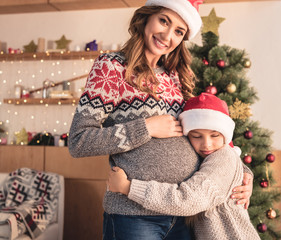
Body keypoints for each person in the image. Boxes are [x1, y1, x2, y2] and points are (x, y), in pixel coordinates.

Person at [68, 0, 253, 239]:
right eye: (164, 21)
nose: (167, 35)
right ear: (147, 18)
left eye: (179, 31)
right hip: (133, 216)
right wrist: (146, 127)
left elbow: (204, 134)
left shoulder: (177, 75)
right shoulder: (111, 67)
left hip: (185, 218)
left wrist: (242, 174)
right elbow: (79, 141)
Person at [107, 93, 260, 240]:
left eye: (214, 135)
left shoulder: (223, 157)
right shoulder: (209, 156)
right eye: (196, 136)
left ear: (226, 135)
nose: (206, 144)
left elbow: (189, 200)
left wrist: (128, 187)